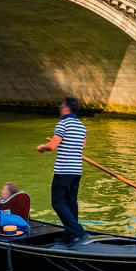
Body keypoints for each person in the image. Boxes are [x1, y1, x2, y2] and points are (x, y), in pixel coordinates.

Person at [36, 96, 87, 243]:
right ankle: (71, 232)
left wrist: (42, 147)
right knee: (71, 202)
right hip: (77, 170)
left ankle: (78, 231)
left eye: (62, 105)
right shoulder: (82, 126)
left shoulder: (62, 124)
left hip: (64, 170)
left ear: (66, 108)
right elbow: (82, 146)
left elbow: (52, 146)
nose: (60, 107)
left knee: (57, 202)